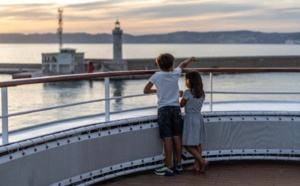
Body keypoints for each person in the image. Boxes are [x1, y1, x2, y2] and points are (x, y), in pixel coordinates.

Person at [143, 53, 195, 176]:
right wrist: (190, 59)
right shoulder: (175, 73)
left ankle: (168, 167)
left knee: (167, 139)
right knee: (177, 137)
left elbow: (145, 90)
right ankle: (179, 164)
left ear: (159, 65)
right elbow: (182, 65)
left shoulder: (156, 76)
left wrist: (158, 90)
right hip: (176, 109)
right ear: (172, 65)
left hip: (163, 110)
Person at [180, 71, 208, 173]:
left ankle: (201, 160)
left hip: (190, 119)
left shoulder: (187, 93)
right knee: (198, 144)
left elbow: (181, 105)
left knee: (187, 145)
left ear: (190, 81)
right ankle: (196, 165)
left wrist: (181, 96)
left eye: (186, 80)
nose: (185, 82)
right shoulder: (202, 93)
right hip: (199, 118)